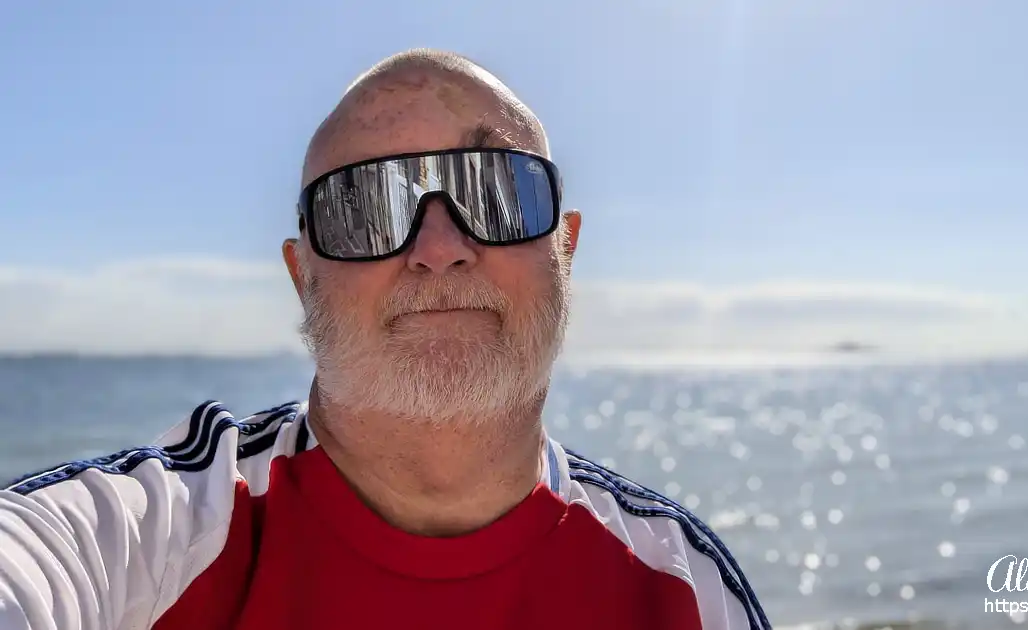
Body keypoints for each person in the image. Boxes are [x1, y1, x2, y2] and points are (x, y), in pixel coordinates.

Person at [0, 49, 771, 630]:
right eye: (363, 207)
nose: (438, 246)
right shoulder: (154, 540)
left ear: (564, 248)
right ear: (303, 277)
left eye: (496, 192)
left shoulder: (681, 589)